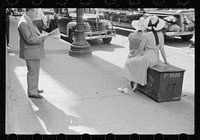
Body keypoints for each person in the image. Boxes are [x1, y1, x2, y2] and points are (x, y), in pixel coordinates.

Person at [118, 15, 170, 94]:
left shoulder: (146, 35)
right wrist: (166, 61)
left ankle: (124, 87)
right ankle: (135, 82)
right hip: (156, 58)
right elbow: (162, 49)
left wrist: (132, 56)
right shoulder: (161, 34)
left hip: (147, 58)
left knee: (128, 63)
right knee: (135, 62)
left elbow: (140, 49)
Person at [17, 8, 49, 98]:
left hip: (33, 51)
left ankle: (34, 88)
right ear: (29, 12)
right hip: (31, 51)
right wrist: (42, 38)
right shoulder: (23, 23)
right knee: (32, 72)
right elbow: (29, 39)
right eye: (35, 13)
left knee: (35, 71)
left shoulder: (27, 20)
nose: (36, 15)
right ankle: (32, 92)